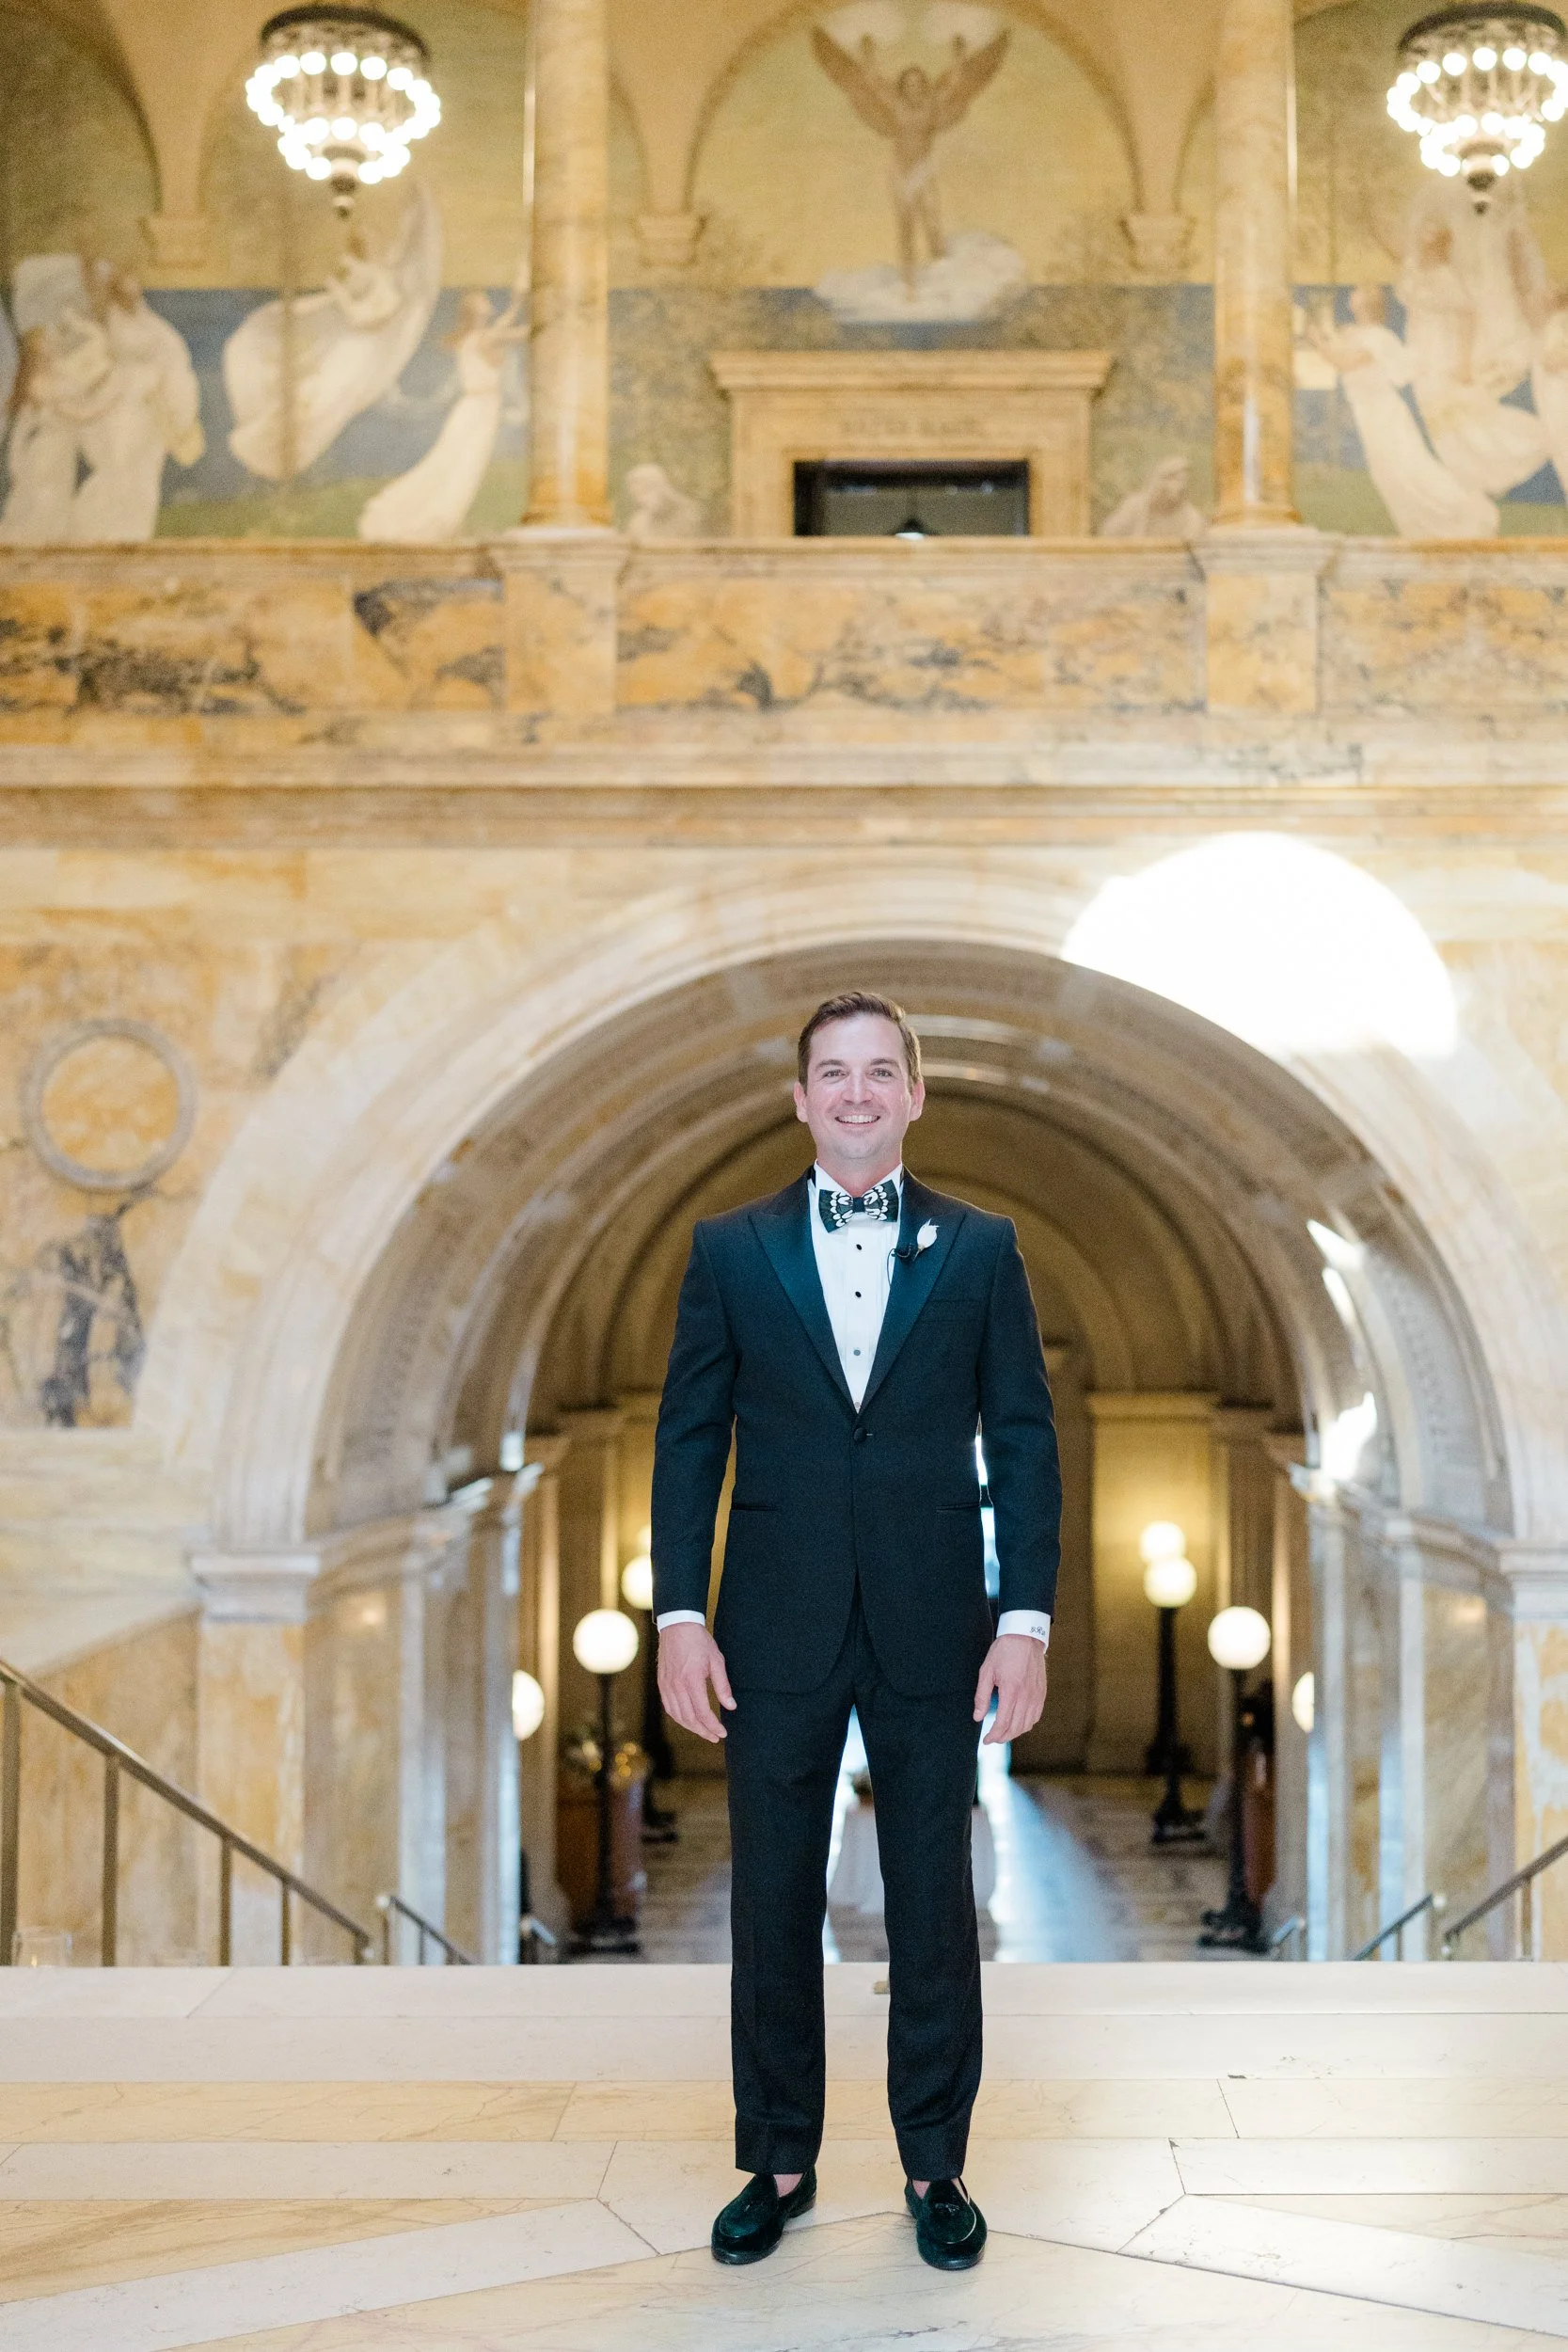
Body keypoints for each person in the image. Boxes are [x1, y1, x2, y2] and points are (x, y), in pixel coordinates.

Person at [652, 990, 1061, 2272]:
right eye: (832, 1072)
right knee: (771, 1896)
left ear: (915, 1094)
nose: (855, 1092)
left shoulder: (982, 1247)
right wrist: (676, 1614)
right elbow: (686, 1442)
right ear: (797, 1098)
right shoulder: (728, 1248)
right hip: (769, 1621)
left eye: (879, 1071)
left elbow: (1025, 1441)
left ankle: (934, 2165)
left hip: (934, 1616)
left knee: (929, 1897)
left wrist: (1025, 1619)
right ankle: (775, 2158)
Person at [812, 27, 1009, 291]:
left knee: (933, 225)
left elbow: (955, 81)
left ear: (924, 85)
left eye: (918, 83)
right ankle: (910, 288)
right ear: (903, 86)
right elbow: (871, 81)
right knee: (906, 229)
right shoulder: (895, 104)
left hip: (923, 170)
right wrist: (867, 54)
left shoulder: (933, 103)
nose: (914, 87)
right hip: (899, 172)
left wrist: (959, 55)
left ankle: (945, 282)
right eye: (909, 83)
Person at [358, 285, 526, 542]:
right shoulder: (483, 338)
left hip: (475, 409)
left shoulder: (472, 338)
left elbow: (505, 326)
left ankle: (448, 522)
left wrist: (516, 302)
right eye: (481, 301)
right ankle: (440, 520)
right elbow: (518, 333)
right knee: (460, 468)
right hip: (478, 410)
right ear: (476, 312)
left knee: (455, 465)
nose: (487, 302)